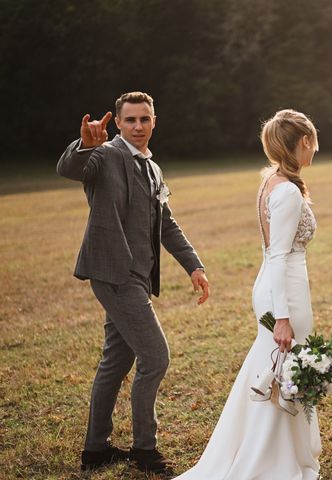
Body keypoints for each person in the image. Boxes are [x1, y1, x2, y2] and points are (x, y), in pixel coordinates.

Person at [57, 91, 210, 474]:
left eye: (144, 119)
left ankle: (96, 449)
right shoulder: (105, 155)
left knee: (116, 361)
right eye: (130, 120)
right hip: (114, 275)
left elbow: (167, 224)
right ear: (120, 124)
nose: (138, 127)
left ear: (154, 122)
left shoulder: (153, 169)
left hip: (139, 278)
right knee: (156, 357)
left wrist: (194, 265)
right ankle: (145, 449)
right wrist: (83, 146)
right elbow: (69, 169)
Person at [174, 109, 321, 479]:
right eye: (313, 142)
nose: (315, 149)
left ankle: (272, 450)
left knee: (271, 370)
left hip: (276, 287)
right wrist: (283, 317)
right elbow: (278, 254)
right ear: (304, 141)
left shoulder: (272, 181)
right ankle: (268, 462)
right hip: (283, 291)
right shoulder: (286, 190)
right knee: (280, 373)